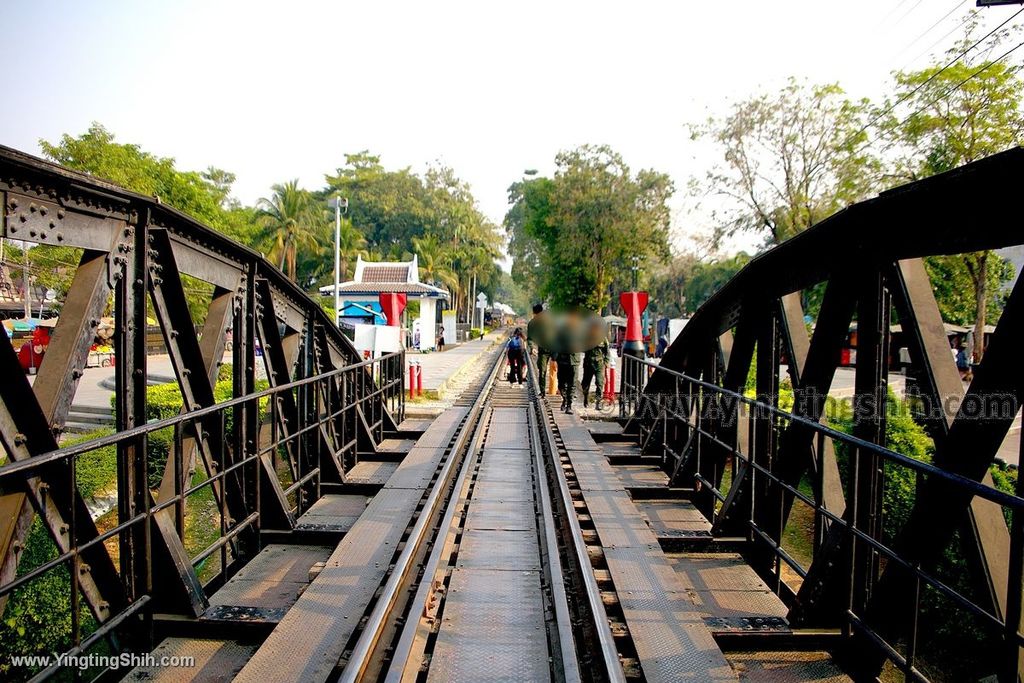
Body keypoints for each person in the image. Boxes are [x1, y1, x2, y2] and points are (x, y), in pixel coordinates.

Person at [527, 303, 552, 391]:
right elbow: (530, 338)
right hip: (543, 350)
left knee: (557, 371)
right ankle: (542, 392)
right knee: (542, 371)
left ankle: (559, 391)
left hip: (554, 350)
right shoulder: (532, 324)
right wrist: (532, 347)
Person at [582, 336, 609, 409]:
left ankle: (598, 402)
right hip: (588, 364)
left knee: (600, 383)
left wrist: (606, 363)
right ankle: (585, 398)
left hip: (599, 364)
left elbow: (607, 352)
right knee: (585, 384)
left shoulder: (603, 338)